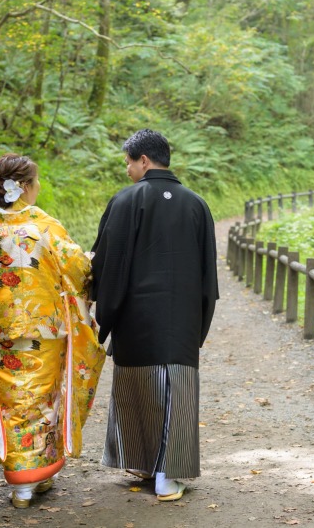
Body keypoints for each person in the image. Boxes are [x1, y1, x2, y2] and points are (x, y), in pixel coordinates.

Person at [0, 154, 105, 509]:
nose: (37, 188)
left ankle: (23, 484)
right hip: (46, 328)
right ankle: (38, 475)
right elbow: (79, 269)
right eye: (35, 183)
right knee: (43, 399)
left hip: (0, 329)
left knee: (12, 401)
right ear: (23, 187)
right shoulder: (44, 224)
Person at [90, 129, 219, 502]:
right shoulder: (197, 205)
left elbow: (108, 266)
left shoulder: (125, 201)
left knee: (140, 391)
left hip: (135, 319)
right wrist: (198, 324)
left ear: (143, 160)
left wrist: (106, 316)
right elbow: (207, 276)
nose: (128, 170)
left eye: (129, 163)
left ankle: (146, 464)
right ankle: (167, 474)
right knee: (174, 395)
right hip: (180, 322)